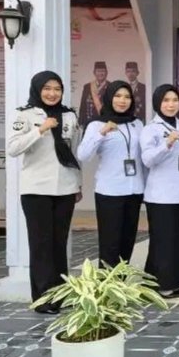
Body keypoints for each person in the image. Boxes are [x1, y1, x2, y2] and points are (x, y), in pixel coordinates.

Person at [8, 71, 82, 313]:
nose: (52, 93)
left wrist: (78, 184)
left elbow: (74, 152)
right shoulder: (25, 115)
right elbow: (13, 148)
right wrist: (39, 130)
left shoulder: (69, 115)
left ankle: (60, 294)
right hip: (36, 189)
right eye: (47, 88)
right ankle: (43, 298)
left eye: (57, 89)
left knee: (59, 243)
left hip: (65, 187)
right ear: (38, 90)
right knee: (41, 244)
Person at [77, 80, 145, 268]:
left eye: (127, 97)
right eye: (118, 96)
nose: (122, 101)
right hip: (110, 191)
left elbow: (143, 156)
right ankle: (106, 283)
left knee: (128, 241)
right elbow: (83, 155)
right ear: (109, 98)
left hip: (134, 190)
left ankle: (121, 281)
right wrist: (102, 132)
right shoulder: (96, 124)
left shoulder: (137, 124)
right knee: (110, 242)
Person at [140, 84, 179, 299]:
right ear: (157, 103)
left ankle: (176, 281)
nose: (171, 105)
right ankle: (159, 284)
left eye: (174, 100)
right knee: (163, 241)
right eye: (166, 101)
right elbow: (147, 160)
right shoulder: (150, 129)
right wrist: (167, 144)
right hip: (160, 195)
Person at [78, 60, 109, 127]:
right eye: (98, 71)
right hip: (89, 122)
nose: (100, 73)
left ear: (106, 73)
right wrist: (81, 122)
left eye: (103, 71)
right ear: (94, 73)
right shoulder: (87, 87)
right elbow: (83, 105)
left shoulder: (111, 86)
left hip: (105, 123)